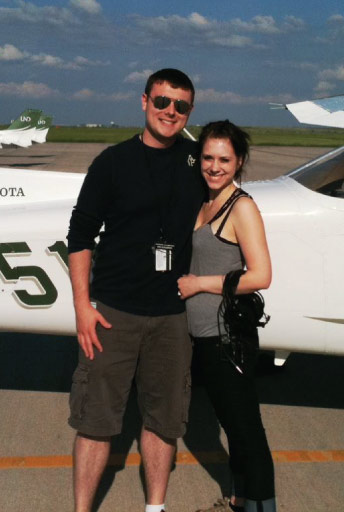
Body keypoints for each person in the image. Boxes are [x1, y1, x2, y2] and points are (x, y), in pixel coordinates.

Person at [66, 68, 205, 512]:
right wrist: (82, 308)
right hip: (114, 312)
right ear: (143, 101)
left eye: (180, 106)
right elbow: (80, 235)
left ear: (190, 111)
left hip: (172, 314)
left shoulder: (196, 162)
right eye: (162, 102)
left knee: (164, 421)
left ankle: (155, 507)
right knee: (95, 421)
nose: (170, 112)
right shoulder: (112, 162)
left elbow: (230, 202)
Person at [177, 121, 275, 512]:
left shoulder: (242, 207)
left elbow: (261, 275)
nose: (214, 167)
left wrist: (200, 284)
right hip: (203, 335)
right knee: (233, 425)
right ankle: (239, 499)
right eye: (208, 158)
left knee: (246, 430)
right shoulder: (204, 201)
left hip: (227, 338)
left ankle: (264, 507)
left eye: (224, 160)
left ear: (239, 162)